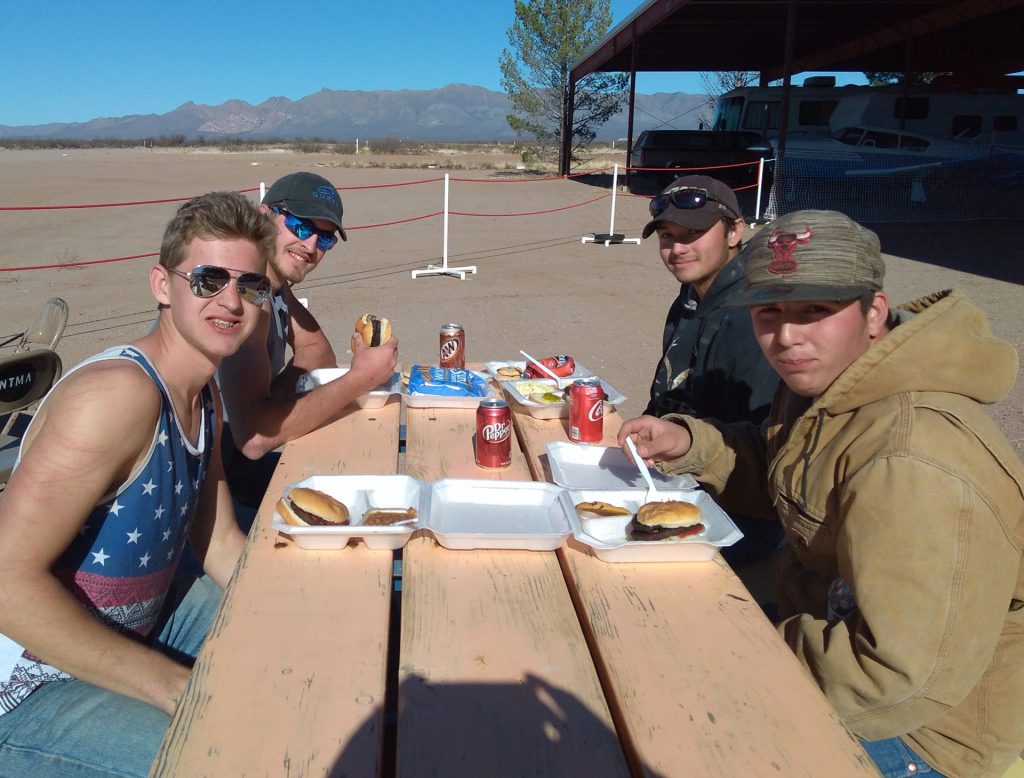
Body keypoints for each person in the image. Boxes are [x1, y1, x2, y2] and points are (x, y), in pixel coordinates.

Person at [618, 209, 1024, 778]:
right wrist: (691, 442)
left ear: (873, 312)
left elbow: (895, 678)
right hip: (827, 635)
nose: (786, 337)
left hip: (924, 737)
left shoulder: (913, 460)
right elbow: (787, 473)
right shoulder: (833, 384)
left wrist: (742, 646)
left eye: (815, 311)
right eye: (770, 312)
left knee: (666, 729)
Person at [0, 191, 277, 776]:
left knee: (289, 663)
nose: (231, 301)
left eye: (250, 286)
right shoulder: (118, 396)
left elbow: (221, 542)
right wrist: (172, 686)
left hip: (132, 625)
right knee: (223, 752)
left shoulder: (205, 398)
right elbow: (4, 578)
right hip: (27, 685)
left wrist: (303, 615)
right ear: (161, 285)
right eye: (207, 280)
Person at [217, 172, 398, 511]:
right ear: (264, 215)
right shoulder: (245, 294)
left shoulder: (273, 283)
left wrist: (274, 400)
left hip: (230, 469)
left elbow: (320, 352)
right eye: (300, 227)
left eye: (325, 238)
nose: (311, 246)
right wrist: (361, 379)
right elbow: (255, 438)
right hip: (205, 494)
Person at [642, 174, 781, 567]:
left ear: (735, 231)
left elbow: (754, 451)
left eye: (693, 233)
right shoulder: (691, 297)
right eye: (667, 236)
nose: (677, 248)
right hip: (677, 474)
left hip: (738, 514)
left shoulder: (752, 315)